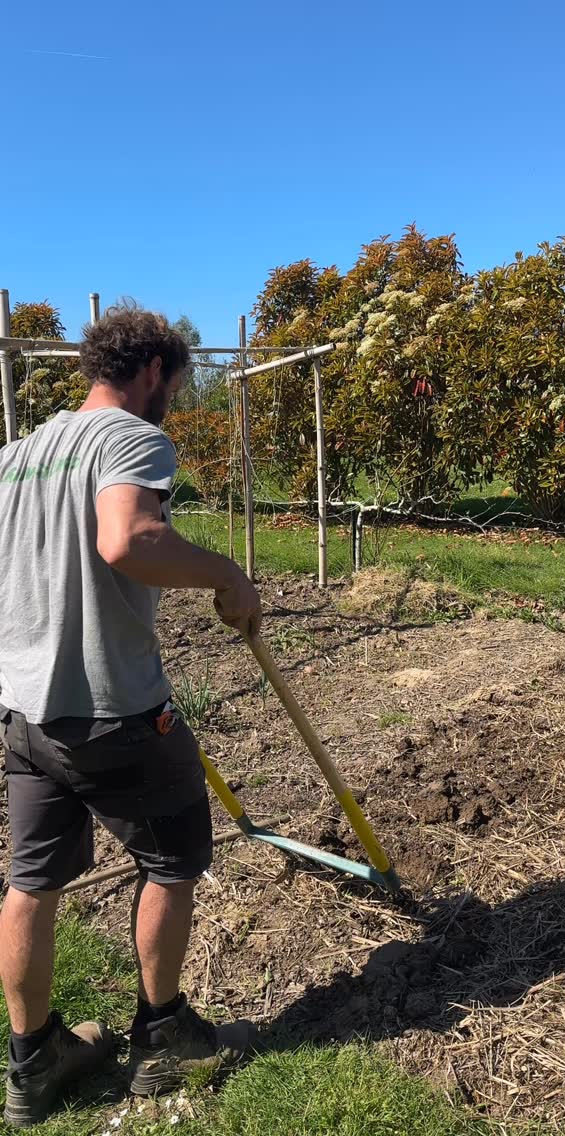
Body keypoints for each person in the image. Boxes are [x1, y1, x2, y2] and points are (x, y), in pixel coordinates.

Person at [0, 305, 262, 1128]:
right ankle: (162, 1036)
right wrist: (227, 576)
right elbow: (129, 542)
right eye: (175, 389)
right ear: (151, 371)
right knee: (174, 858)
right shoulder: (131, 440)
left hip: (24, 712)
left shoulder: (19, 455)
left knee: (29, 882)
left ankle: (34, 1060)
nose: (172, 406)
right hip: (112, 712)